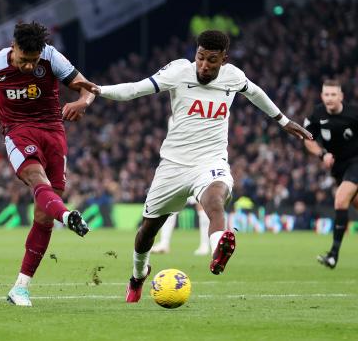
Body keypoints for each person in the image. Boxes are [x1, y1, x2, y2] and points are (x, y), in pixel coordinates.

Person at [77, 30, 311, 303]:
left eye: (212, 60)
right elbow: (136, 89)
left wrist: (283, 121)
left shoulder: (233, 76)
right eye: (200, 57)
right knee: (147, 233)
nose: (204, 65)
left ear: (224, 59)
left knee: (215, 200)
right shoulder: (179, 72)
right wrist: (99, 90)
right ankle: (138, 276)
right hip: (173, 166)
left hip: (211, 161)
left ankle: (217, 252)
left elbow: (255, 92)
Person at [0, 21, 96, 307]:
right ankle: (67, 217)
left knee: (43, 215)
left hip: (53, 131)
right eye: (24, 60)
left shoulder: (51, 58)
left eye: (33, 61)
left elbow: (88, 88)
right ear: (13, 48)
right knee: (38, 181)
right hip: (18, 130)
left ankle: (20, 288)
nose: (28, 66)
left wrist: (82, 102)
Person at [303, 80, 358, 269]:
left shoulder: (353, 114)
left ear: (341, 96)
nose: (330, 98)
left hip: (356, 162)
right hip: (339, 169)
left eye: (333, 94)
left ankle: (333, 255)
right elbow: (307, 138)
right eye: (326, 94)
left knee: (340, 200)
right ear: (322, 96)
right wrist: (321, 154)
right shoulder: (317, 114)